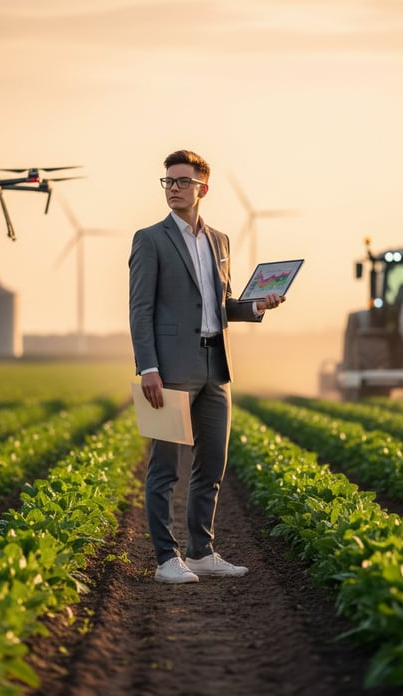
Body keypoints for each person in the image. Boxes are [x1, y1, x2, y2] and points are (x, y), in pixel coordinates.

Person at [128, 149, 285, 584]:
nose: (174, 188)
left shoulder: (220, 241)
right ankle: (165, 559)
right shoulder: (150, 239)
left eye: (182, 181)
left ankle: (200, 552)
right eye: (168, 182)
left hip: (217, 365)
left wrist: (258, 306)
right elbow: (139, 310)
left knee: (211, 465)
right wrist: (148, 368)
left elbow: (224, 303)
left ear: (203, 189)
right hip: (170, 369)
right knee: (164, 468)